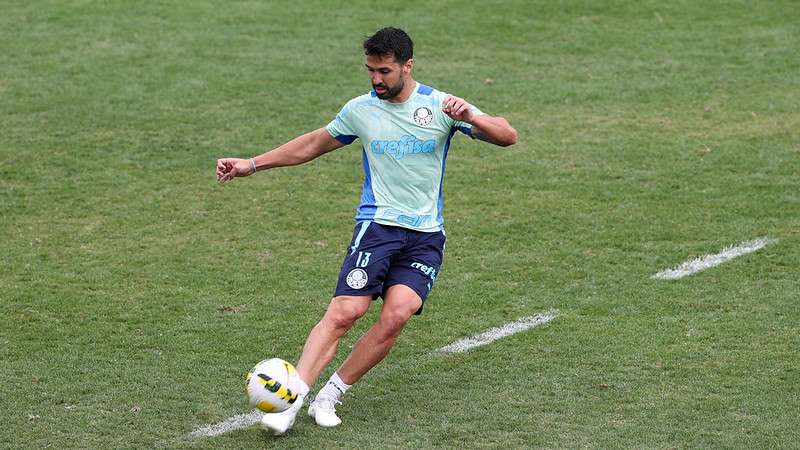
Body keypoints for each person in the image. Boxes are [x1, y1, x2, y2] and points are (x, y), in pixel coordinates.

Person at [216, 27, 517, 435]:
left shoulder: (441, 106)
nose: (376, 79)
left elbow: (507, 136)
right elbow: (312, 144)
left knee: (396, 317)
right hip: (378, 227)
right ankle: (291, 399)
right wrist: (251, 164)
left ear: (407, 66)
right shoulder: (361, 109)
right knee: (346, 312)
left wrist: (473, 117)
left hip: (426, 236)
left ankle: (331, 393)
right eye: (371, 70)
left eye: (385, 71)